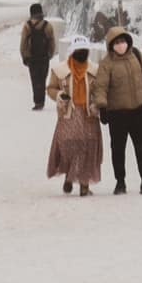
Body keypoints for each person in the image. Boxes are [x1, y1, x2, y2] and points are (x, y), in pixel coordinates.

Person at [91, 24, 142, 194]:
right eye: (116, 43)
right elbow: (100, 87)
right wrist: (102, 107)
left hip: (138, 111)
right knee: (118, 149)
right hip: (117, 114)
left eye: (123, 41)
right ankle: (120, 182)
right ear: (111, 45)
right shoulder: (106, 64)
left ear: (128, 41)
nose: (120, 45)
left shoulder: (137, 56)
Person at [46, 36, 103, 196]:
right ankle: (69, 176)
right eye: (79, 50)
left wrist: (97, 103)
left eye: (84, 50)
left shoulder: (95, 70)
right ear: (72, 52)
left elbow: (101, 90)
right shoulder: (60, 71)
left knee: (88, 148)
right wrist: (59, 95)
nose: (82, 53)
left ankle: (84, 185)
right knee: (69, 146)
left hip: (89, 115)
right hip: (68, 115)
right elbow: (50, 88)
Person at [20, 3, 57, 110]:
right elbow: (52, 42)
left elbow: (23, 43)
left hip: (32, 58)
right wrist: (50, 54)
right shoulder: (47, 26)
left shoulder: (27, 26)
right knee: (42, 79)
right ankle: (42, 100)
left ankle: (38, 102)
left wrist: (25, 56)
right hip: (44, 57)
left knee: (35, 79)